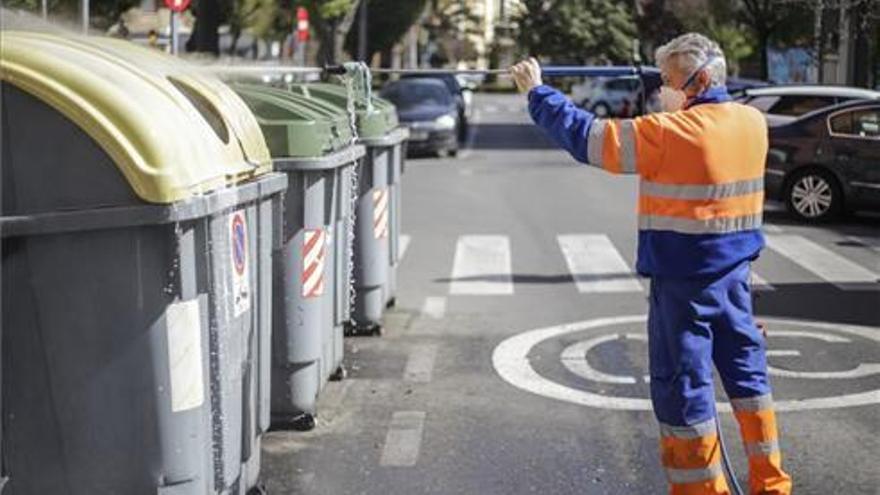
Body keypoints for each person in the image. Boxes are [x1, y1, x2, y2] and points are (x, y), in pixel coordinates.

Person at [509, 33, 792, 495]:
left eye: (669, 81)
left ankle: (703, 490)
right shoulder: (750, 122)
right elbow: (703, 122)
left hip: (684, 289)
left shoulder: (670, 132)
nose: (663, 91)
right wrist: (663, 78)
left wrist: (537, 91)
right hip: (736, 279)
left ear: (696, 81)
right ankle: (772, 485)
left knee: (685, 394)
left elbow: (589, 138)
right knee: (748, 378)